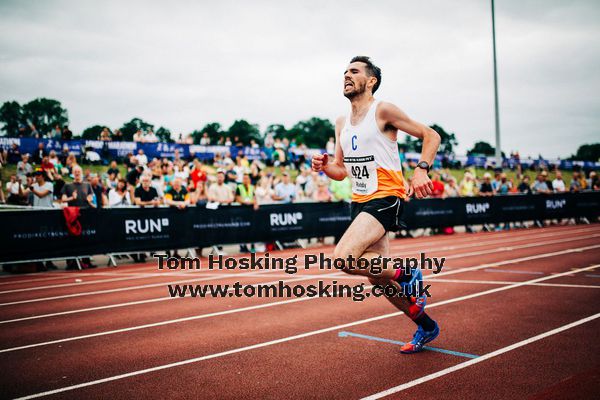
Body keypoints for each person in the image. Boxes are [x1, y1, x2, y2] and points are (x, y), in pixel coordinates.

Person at [311, 56, 441, 354]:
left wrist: (421, 168)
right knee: (378, 278)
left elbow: (431, 136)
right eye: (344, 71)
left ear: (370, 81)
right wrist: (324, 166)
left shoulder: (382, 110)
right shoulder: (341, 122)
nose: (346, 75)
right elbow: (341, 170)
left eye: (354, 71)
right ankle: (426, 325)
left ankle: (409, 273)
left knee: (343, 258)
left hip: (386, 197)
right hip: (359, 201)